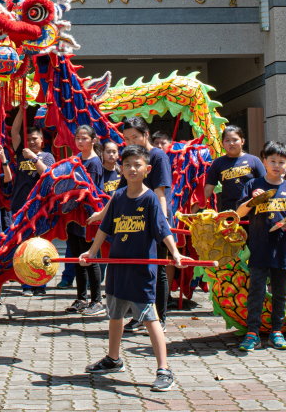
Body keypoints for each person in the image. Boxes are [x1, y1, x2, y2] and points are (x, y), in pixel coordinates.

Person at [79, 144, 191, 392]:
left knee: (150, 318)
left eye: (137, 164)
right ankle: (113, 358)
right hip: (119, 268)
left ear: (147, 169)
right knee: (115, 314)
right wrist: (92, 252)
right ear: (121, 168)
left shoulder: (150, 198)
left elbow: (163, 231)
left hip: (142, 270)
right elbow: (105, 228)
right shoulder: (118, 197)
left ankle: (164, 369)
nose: (132, 168)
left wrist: (175, 253)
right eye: (127, 164)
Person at [234, 141, 286, 352]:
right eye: (272, 161)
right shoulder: (253, 184)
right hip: (259, 246)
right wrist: (252, 201)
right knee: (256, 291)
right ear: (264, 161)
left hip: (283, 247)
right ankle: (252, 333)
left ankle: (277, 331)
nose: (277, 165)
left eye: (281, 162)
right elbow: (240, 213)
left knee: (280, 292)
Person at [121, 117, 172, 331]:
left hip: (155, 219)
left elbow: (161, 192)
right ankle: (140, 315)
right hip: (134, 222)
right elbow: (123, 192)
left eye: (135, 136)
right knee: (137, 269)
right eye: (127, 138)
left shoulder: (157, 156)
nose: (131, 141)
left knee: (157, 270)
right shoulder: (130, 157)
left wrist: (162, 223)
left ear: (146, 134)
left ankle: (159, 318)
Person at [11, 109, 55, 296]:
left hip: (40, 208)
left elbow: (48, 174)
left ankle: (41, 284)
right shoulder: (21, 152)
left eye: (34, 139)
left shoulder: (48, 156)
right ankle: (26, 283)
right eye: (29, 139)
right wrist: (22, 111)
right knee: (23, 246)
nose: (31, 142)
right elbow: (14, 132)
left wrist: (34, 157)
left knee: (40, 245)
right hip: (21, 206)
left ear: (42, 141)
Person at [65, 125, 106, 316]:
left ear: (93, 140)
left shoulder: (95, 163)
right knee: (76, 258)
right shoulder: (76, 160)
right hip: (74, 216)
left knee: (90, 258)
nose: (80, 142)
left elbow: (93, 191)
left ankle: (96, 300)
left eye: (84, 138)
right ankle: (81, 298)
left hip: (88, 217)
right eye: (78, 138)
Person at [205, 125, 265, 211]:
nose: (231, 143)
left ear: (242, 141)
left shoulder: (254, 160)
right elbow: (208, 189)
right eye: (227, 140)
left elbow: (265, 183)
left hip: (253, 211)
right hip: (229, 212)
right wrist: (192, 210)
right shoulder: (218, 163)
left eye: (235, 140)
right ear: (222, 143)